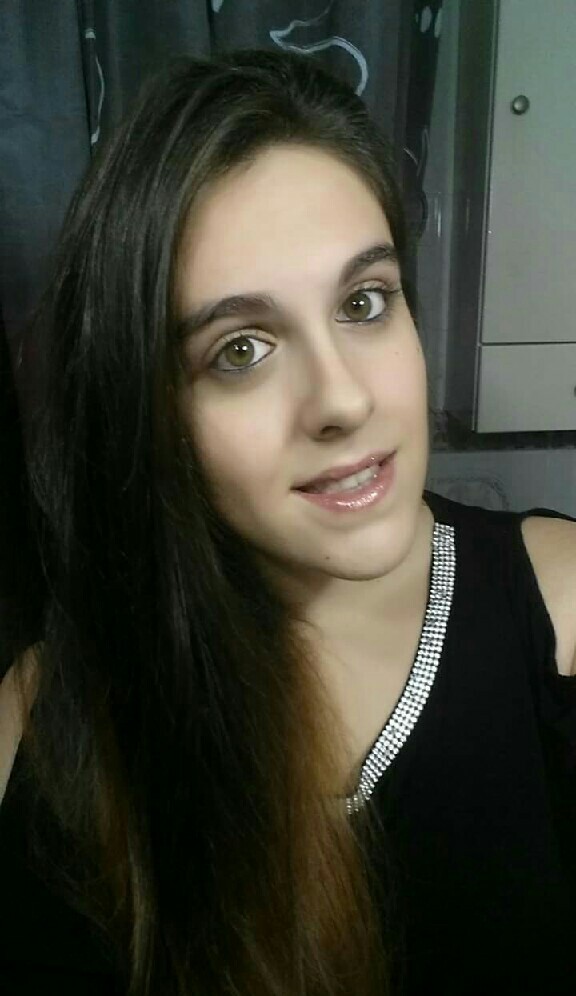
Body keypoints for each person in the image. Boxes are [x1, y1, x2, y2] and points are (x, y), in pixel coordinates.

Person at [0, 48, 575, 996]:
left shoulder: (560, 612)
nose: (343, 400)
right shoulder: (45, 720)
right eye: (242, 350)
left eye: (364, 302)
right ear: (149, 411)